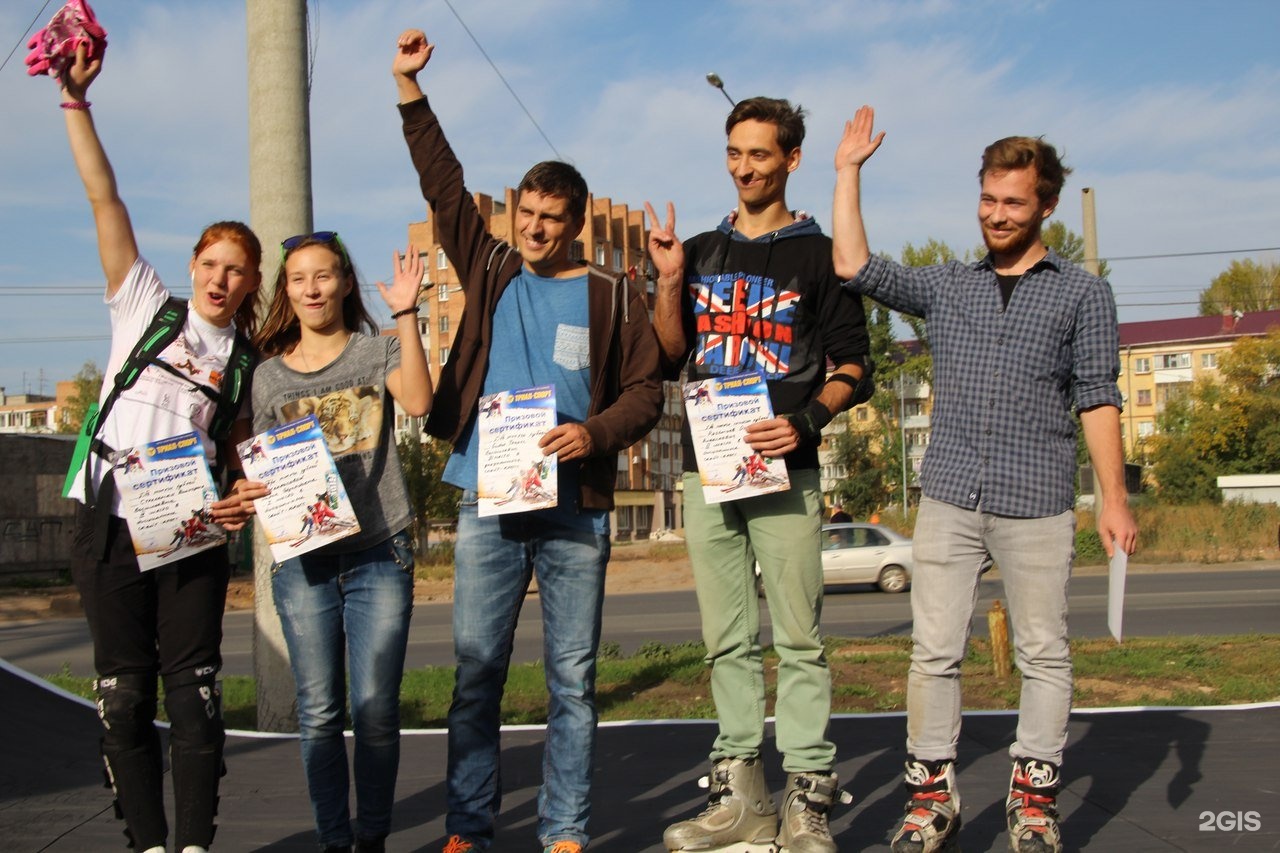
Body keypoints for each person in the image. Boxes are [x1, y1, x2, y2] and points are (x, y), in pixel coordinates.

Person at [831, 106, 1139, 853]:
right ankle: (932, 801)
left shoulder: (1082, 293)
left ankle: (1032, 802)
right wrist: (847, 172)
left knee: (1044, 652)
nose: (997, 216)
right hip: (950, 494)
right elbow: (854, 266)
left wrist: (1114, 498)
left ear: (1046, 206)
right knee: (934, 650)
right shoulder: (948, 285)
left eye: (1013, 202)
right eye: (988, 199)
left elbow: (1097, 396)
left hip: (1037, 498)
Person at [392, 28, 664, 853]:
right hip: (487, 500)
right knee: (476, 675)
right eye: (528, 214)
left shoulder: (615, 293)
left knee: (572, 682)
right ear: (514, 215)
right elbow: (444, 184)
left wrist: (594, 431)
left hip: (575, 508)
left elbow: (650, 391)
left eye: (552, 218)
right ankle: (469, 828)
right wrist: (409, 89)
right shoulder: (491, 266)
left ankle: (565, 832)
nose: (537, 229)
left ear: (576, 223)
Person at [646, 96, 873, 853]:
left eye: (760, 154)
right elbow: (672, 354)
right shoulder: (705, 248)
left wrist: (805, 421)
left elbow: (855, 366)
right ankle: (741, 793)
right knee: (726, 640)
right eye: (734, 153)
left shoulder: (820, 255)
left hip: (786, 468)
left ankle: (808, 798)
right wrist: (671, 280)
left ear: (791, 159)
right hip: (707, 469)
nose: (745, 167)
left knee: (800, 639)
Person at [55, 47, 262, 853]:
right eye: (211, 262)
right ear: (192, 265)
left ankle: (195, 845)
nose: (220, 277)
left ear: (249, 284)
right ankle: (145, 842)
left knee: (197, 694)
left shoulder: (246, 360)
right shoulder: (144, 305)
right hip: (108, 520)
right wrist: (76, 104)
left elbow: (249, 459)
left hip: (190, 530)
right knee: (123, 696)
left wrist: (244, 497)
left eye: (236, 269)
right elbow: (102, 196)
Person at [249, 233, 433, 853]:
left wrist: (406, 313)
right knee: (321, 713)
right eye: (299, 279)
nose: (312, 289)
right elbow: (257, 464)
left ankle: (373, 836)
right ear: (287, 291)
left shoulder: (374, 352)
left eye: (324, 277)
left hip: (379, 551)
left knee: (377, 709)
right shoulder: (268, 377)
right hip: (304, 563)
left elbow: (420, 400)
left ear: (346, 283)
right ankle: (334, 840)